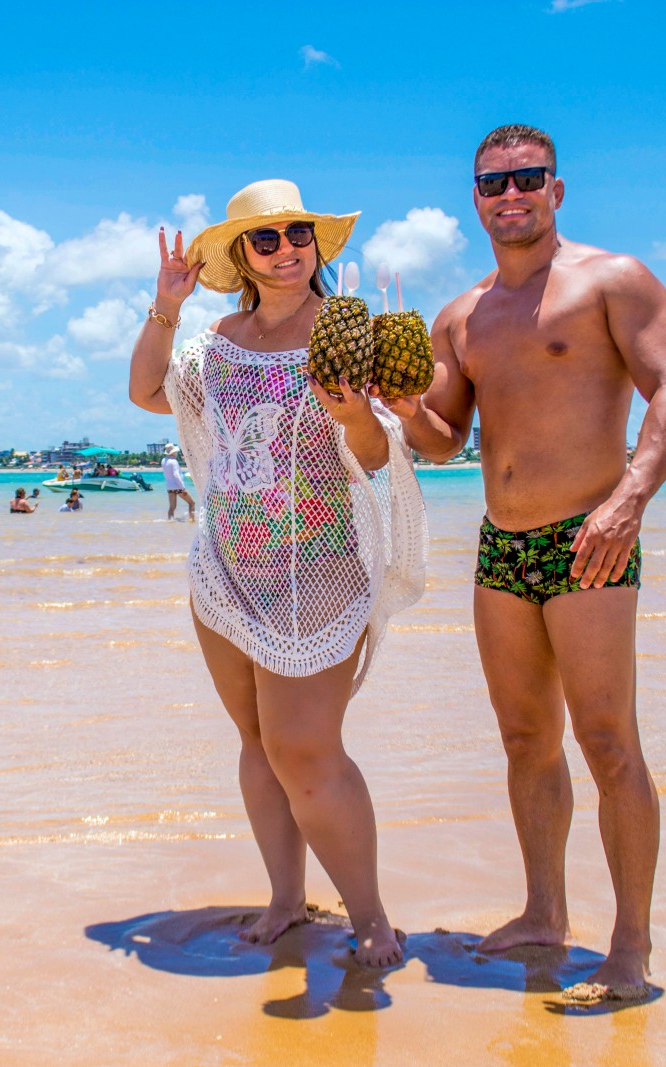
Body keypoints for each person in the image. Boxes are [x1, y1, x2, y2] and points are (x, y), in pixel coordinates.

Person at [386, 125, 666, 1003]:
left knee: (608, 741)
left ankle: (630, 946)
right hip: (503, 546)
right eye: (494, 183)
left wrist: (630, 499)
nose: (510, 194)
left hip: (591, 537)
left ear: (557, 189)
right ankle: (543, 912)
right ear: (475, 200)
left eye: (527, 178)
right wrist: (402, 404)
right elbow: (443, 440)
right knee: (525, 739)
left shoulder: (612, 281)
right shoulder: (461, 316)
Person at [129, 178, 427, 967]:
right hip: (226, 570)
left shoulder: (345, 332)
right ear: (242, 256)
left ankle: (371, 917)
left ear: (316, 245)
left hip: (319, 574)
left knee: (307, 752)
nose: (287, 249)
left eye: (299, 234)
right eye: (267, 239)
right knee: (259, 744)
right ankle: (288, 900)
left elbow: (375, 454)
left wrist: (354, 412)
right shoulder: (216, 342)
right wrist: (167, 306)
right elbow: (148, 390)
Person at [160, 443, 196, 521]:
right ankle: (192, 520)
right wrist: (183, 488)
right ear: (173, 452)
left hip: (169, 487)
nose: (176, 453)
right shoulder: (174, 461)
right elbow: (176, 475)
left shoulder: (163, 461)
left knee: (172, 507)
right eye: (175, 452)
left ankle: (170, 521)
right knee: (192, 503)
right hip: (178, 487)